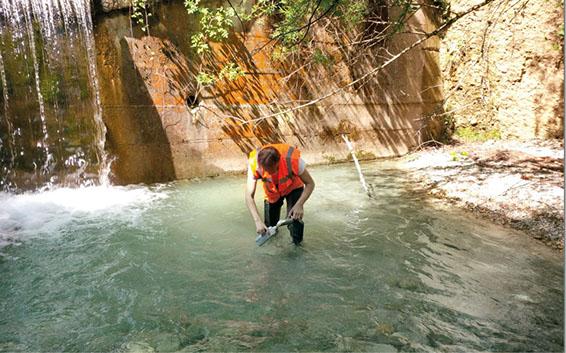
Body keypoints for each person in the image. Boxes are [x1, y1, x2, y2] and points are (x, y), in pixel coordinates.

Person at [245, 143, 315, 245]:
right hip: (272, 193)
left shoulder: (293, 159)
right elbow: (248, 196)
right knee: (269, 228)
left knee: (295, 221)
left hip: (293, 188)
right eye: (267, 170)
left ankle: (297, 246)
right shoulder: (254, 164)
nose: (272, 173)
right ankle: (275, 249)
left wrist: (299, 205)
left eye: (275, 169)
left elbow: (310, 183)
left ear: (279, 161)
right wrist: (257, 221)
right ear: (261, 165)